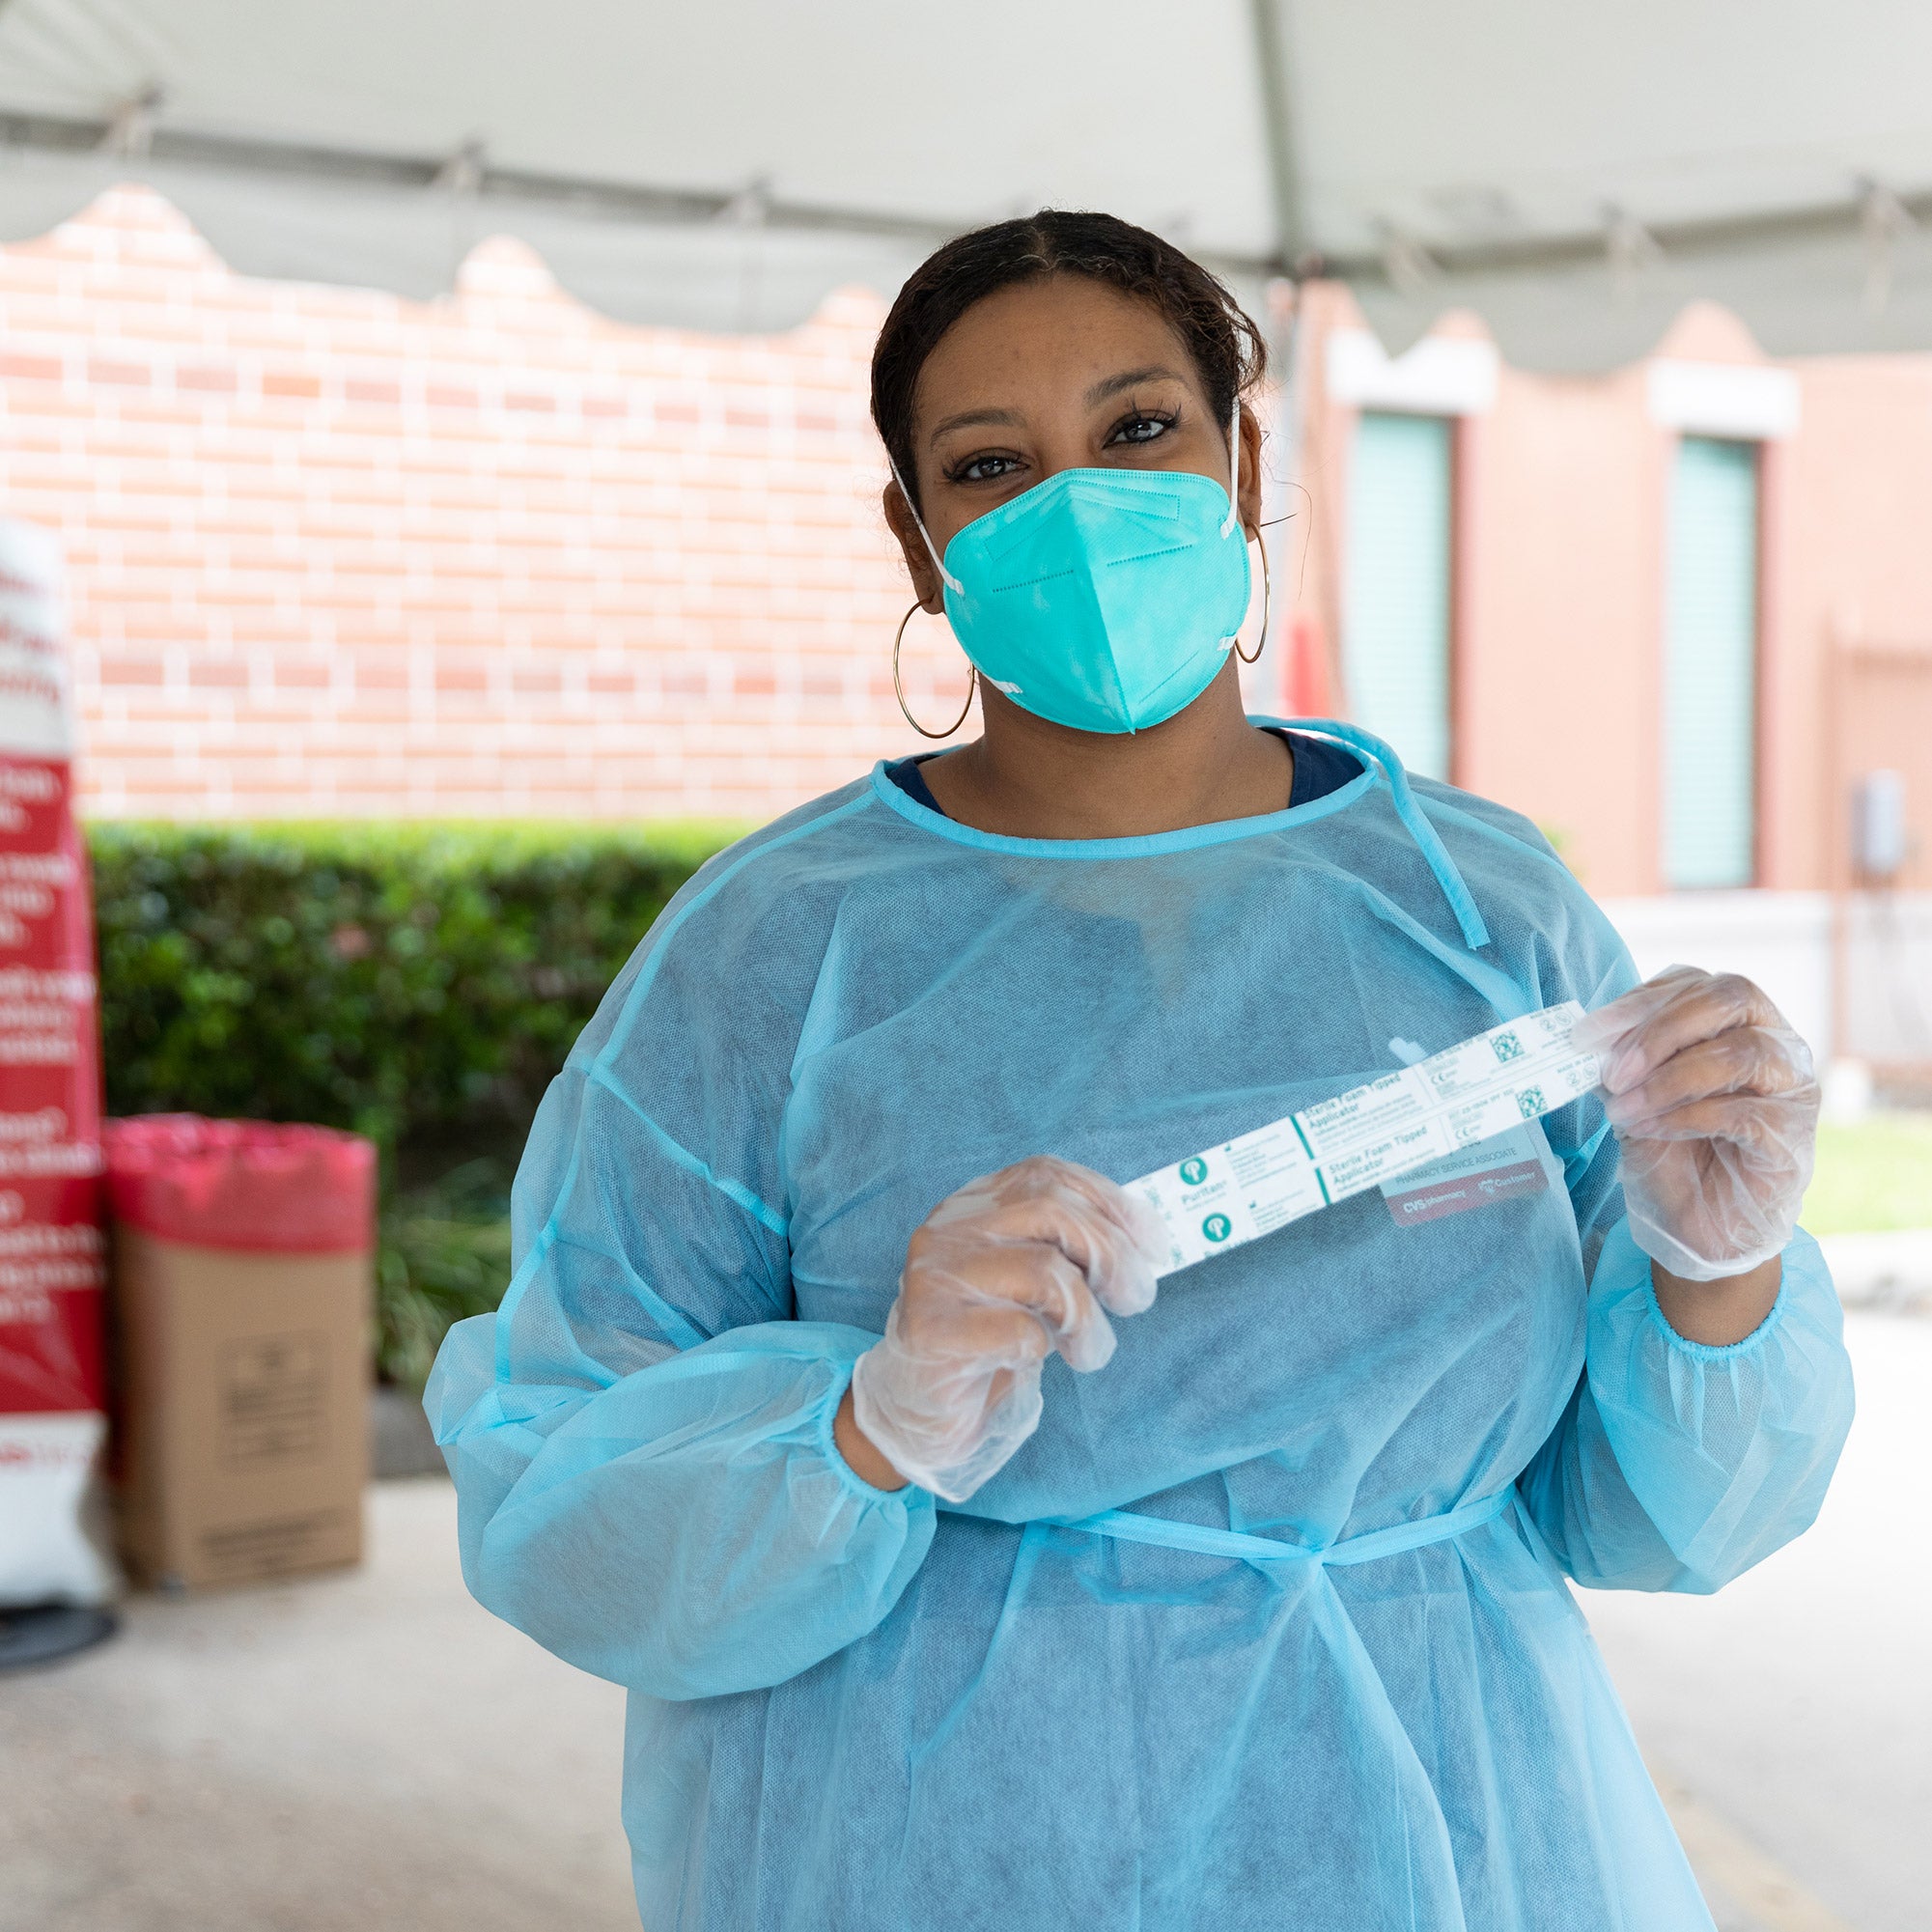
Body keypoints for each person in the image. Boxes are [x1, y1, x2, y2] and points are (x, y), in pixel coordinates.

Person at [429, 210, 1852, 1931]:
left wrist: (1714, 1270)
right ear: (916, 533)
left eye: (1136, 430)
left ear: (1240, 463)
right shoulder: (769, 956)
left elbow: (1641, 1517)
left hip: (1458, 1833)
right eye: (989, 461)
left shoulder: (1488, 910)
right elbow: (561, 1496)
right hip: (938, 1849)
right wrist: (868, 1424)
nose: (1079, 508)